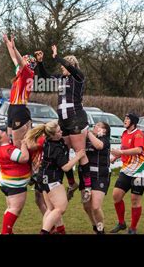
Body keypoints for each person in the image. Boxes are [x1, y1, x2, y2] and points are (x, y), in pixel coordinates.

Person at [34, 46, 91, 203]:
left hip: (76, 118)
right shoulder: (61, 79)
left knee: (80, 153)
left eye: (64, 66)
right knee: (63, 153)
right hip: (63, 121)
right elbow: (45, 78)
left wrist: (57, 56)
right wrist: (40, 63)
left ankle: (87, 187)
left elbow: (71, 68)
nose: (62, 68)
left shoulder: (78, 77)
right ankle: (72, 184)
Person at [31, 121, 85, 234]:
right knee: (60, 208)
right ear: (53, 135)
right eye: (59, 131)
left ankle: (56, 231)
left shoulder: (51, 140)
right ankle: (44, 232)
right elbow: (66, 167)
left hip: (44, 178)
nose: (61, 132)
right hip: (51, 179)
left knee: (51, 209)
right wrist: (78, 156)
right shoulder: (55, 148)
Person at [110, 113, 144, 234]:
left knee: (135, 200)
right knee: (116, 196)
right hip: (127, 170)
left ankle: (133, 228)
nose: (125, 120)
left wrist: (120, 152)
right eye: (125, 118)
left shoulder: (138, 134)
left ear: (133, 122)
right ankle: (121, 223)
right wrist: (116, 157)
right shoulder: (124, 133)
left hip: (140, 171)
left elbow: (138, 150)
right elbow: (125, 149)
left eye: (127, 119)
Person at [0, 129, 31, 234]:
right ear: (0, 139)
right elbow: (24, 158)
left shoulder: (2, 149)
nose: (4, 132)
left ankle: (8, 231)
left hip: (6, 182)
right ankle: (5, 232)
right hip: (15, 184)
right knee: (14, 209)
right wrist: (24, 145)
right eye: (2, 133)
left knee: (11, 208)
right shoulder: (8, 150)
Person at [3, 34, 37, 148]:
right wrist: (8, 43)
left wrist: (15, 47)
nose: (20, 60)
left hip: (19, 109)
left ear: (28, 64)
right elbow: (14, 58)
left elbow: (19, 60)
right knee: (10, 141)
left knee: (18, 144)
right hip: (12, 108)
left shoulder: (28, 74)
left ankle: (24, 163)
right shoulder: (20, 72)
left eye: (23, 59)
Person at [81, 122, 111, 234]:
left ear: (104, 130)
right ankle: (95, 227)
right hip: (86, 176)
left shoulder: (105, 140)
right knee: (86, 206)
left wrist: (88, 132)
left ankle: (100, 229)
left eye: (99, 125)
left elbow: (99, 146)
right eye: (96, 125)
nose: (95, 126)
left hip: (100, 176)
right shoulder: (88, 139)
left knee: (95, 207)